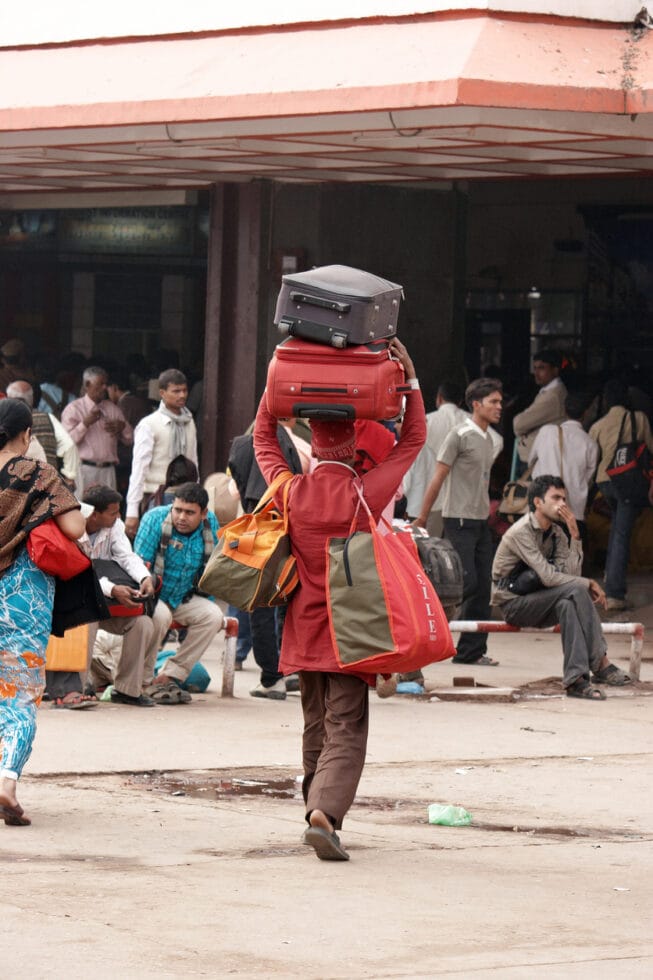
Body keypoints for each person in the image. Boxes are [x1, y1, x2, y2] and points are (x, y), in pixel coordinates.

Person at [254, 337, 425, 861]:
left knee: (314, 719)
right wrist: (411, 377)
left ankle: (316, 807)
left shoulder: (290, 489)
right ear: (352, 445)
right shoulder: (365, 492)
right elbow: (413, 438)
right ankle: (324, 813)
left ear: (312, 442)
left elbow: (263, 437)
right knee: (346, 722)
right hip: (353, 627)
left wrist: (276, 379)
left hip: (302, 624)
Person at [0, 398, 85, 826]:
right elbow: (74, 528)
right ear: (26, 435)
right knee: (17, 691)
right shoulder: (36, 473)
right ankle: (7, 781)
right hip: (22, 596)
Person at [491, 475, 632, 700]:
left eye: (564, 498)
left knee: (569, 603)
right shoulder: (521, 532)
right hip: (514, 604)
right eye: (556, 497)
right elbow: (549, 577)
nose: (562, 504)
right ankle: (601, 663)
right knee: (575, 591)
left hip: (543, 601)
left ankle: (576, 680)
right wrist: (589, 583)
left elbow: (569, 577)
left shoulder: (556, 533)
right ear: (538, 502)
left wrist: (575, 536)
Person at [414, 378, 503, 666]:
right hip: (458, 518)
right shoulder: (459, 435)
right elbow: (437, 477)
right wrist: (423, 517)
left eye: (500, 402)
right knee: (466, 581)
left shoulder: (490, 439)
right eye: (494, 402)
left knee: (484, 586)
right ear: (476, 405)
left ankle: (471, 652)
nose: (499, 407)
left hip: (480, 520)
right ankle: (421, 625)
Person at [134, 483, 232, 704]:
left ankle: (171, 675)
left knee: (213, 616)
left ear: (203, 513)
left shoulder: (211, 523)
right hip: (154, 596)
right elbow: (138, 566)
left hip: (184, 596)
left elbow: (213, 568)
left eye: (189, 512)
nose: (181, 517)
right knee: (161, 616)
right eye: (177, 510)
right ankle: (144, 680)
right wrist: (147, 582)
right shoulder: (154, 519)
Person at [228, 425, 304, 699]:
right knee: (288, 600)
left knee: (259, 605)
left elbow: (236, 487)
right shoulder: (294, 444)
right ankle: (290, 668)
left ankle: (271, 677)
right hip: (291, 527)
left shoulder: (244, 445)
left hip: (258, 527)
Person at [81, 486, 157, 707]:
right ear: (94, 514)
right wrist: (112, 589)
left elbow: (126, 556)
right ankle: (79, 687)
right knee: (87, 619)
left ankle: (127, 690)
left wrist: (144, 577)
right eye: (113, 512)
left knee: (143, 623)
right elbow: (80, 574)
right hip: (82, 602)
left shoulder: (114, 527)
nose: (118, 517)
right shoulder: (73, 528)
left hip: (111, 601)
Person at [589, 379, 653, 611]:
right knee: (621, 535)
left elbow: (592, 457)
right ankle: (615, 592)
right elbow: (649, 450)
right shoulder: (639, 419)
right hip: (627, 480)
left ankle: (610, 576)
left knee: (617, 529)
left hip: (604, 482)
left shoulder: (598, 424)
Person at [125, 369, 198, 539]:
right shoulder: (149, 424)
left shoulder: (189, 422)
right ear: (162, 393)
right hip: (156, 498)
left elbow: (194, 462)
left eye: (185, 390)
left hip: (185, 499)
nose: (182, 395)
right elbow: (139, 470)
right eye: (176, 391)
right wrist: (132, 511)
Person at [529, 392, 599, 541]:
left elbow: (531, 461)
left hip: (543, 507)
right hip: (572, 515)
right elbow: (587, 480)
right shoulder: (591, 445)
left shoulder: (546, 432)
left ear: (564, 410)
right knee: (566, 558)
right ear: (586, 413)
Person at [404, 380, 467, 534]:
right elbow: (496, 441)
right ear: (460, 401)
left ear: (439, 398)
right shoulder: (471, 421)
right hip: (461, 493)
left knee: (427, 545)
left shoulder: (427, 421)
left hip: (428, 491)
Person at [61, 366, 133, 494]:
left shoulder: (112, 409)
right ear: (88, 384)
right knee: (83, 511)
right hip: (83, 470)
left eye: (106, 384)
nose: (105, 388)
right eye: (101, 384)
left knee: (108, 511)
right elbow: (66, 443)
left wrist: (123, 427)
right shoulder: (73, 409)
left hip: (108, 470)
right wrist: (84, 424)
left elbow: (130, 439)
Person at [6, 380, 80, 492]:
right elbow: (69, 445)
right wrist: (69, 477)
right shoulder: (48, 418)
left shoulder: (4, 421)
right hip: (46, 486)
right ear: (31, 400)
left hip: (12, 487)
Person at [513, 350, 567, 464]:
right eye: (535, 368)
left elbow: (518, 424)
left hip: (538, 458)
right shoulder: (548, 391)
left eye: (542, 368)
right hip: (537, 455)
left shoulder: (553, 395)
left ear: (555, 370)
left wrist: (523, 428)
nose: (536, 373)